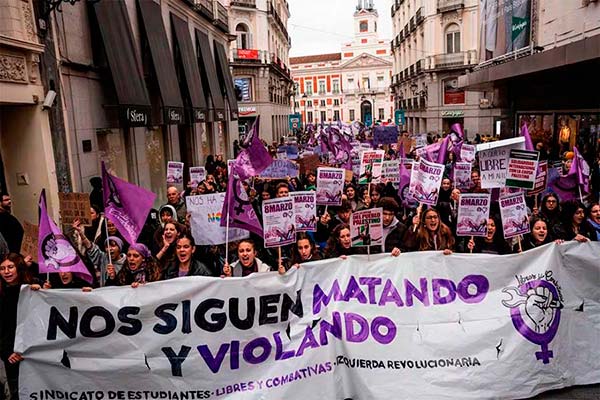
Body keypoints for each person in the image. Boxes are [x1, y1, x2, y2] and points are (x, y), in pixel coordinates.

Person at [0, 253, 39, 398]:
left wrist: (42, 291)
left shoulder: (33, 287)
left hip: (34, 353)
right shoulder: (2, 294)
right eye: (2, 268)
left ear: (19, 268)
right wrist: (7, 352)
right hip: (12, 356)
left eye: (10, 267)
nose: (6, 272)